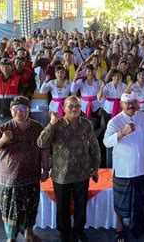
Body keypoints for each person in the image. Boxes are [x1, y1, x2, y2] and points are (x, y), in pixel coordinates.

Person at [37, 96, 101, 242]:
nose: (74, 109)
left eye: (77, 106)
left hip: (82, 173)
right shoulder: (57, 124)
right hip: (61, 174)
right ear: (64, 108)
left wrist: (96, 167)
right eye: (70, 106)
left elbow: (94, 146)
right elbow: (41, 142)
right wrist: (51, 124)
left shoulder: (86, 124)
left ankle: (79, 231)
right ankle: (64, 232)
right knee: (62, 207)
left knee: (80, 205)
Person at [0, 96, 50, 242]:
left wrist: (46, 169)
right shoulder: (2, 129)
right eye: (16, 109)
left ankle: (29, 234)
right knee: (11, 211)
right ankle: (11, 238)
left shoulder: (38, 127)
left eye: (23, 109)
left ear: (29, 111)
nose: (19, 112)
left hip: (32, 177)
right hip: (10, 180)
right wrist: (3, 140)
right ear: (10, 110)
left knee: (31, 208)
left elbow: (44, 149)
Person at [103, 93, 144, 241]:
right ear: (121, 105)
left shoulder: (143, 117)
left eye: (133, 102)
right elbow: (106, 142)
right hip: (124, 170)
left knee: (140, 198)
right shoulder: (115, 121)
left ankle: (141, 225)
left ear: (137, 103)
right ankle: (120, 227)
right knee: (121, 201)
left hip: (140, 167)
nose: (130, 105)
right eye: (127, 103)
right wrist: (122, 133)